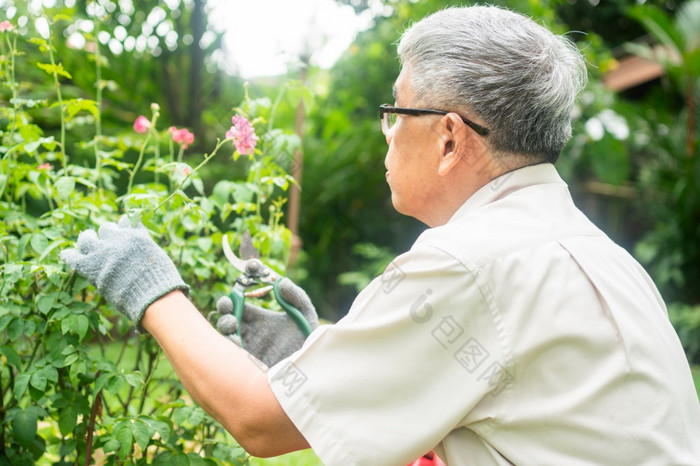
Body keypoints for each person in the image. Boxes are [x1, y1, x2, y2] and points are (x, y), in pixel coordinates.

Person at [61, 5, 700, 465]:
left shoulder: (466, 263)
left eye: (396, 111)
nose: (387, 132)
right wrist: (312, 356)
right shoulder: (598, 253)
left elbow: (257, 421)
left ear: (449, 137)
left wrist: (149, 286)